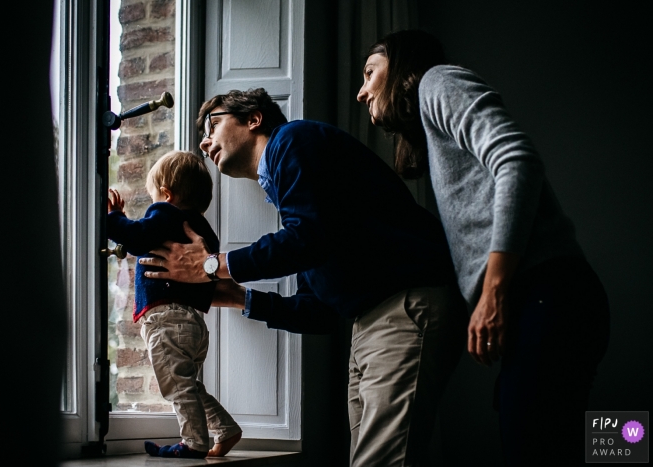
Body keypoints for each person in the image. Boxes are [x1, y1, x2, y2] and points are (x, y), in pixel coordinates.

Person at [139, 88, 468, 466]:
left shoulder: (293, 141)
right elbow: (319, 312)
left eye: (213, 123)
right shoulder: (295, 188)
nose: (204, 140)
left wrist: (212, 265)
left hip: (405, 307)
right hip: (370, 323)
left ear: (254, 118)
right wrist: (237, 297)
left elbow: (306, 239)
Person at [356, 29, 610, 466]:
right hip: (544, 299)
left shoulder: (437, 81)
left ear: (399, 66)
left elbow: (517, 159)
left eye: (369, 73)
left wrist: (492, 293)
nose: (362, 92)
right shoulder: (434, 125)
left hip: (546, 293)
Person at [107, 150, 242, 459]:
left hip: (167, 320)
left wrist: (114, 219)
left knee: (177, 386)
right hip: (193, 323)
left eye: (154, 195)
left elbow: (138, 238)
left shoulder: (166, 214)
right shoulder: (203, 230)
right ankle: (225, 428)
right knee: (188, 384)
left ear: (166, 194)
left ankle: (194, 443)